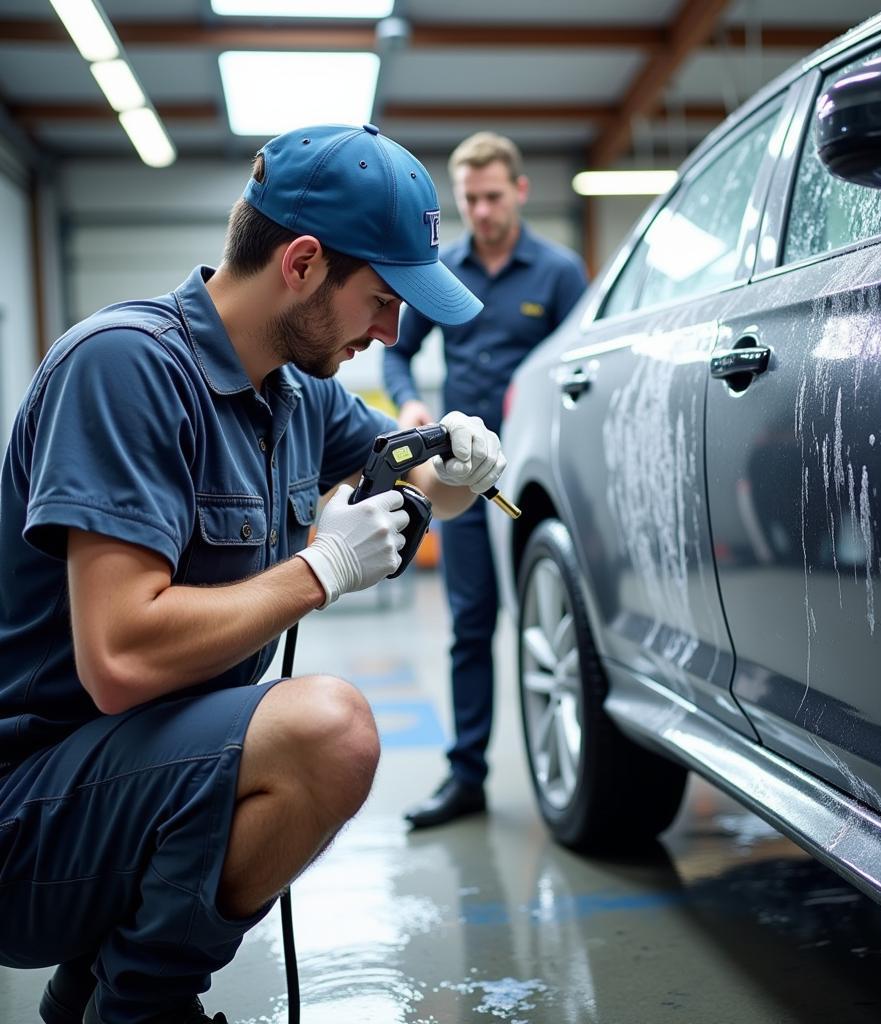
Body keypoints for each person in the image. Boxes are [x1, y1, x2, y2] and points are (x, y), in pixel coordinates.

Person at [0, 123, 506, 1024]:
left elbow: (405, 474)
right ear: (303, 263)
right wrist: (319, 571)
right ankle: (142, 1008)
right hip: (25, 820)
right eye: (383, 299)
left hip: (121, 789)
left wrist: (458, 471)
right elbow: (118, 662)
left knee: (303, 730)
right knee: (327, 731)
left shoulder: (295, 390)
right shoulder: (123, 369)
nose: (392, 330)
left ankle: (92, 994)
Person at [385, 131, 588, 829]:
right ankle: (466, 777)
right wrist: (408, 402)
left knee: (561, 620)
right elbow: (397, 352)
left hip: (539, 481)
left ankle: (584, 766)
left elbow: (579, 366)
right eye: (468, 198)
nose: (479, 209)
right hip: (468, 480)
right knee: (471, 627)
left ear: (520, 191)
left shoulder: (560, 273)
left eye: (492, 195)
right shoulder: (444, 272)